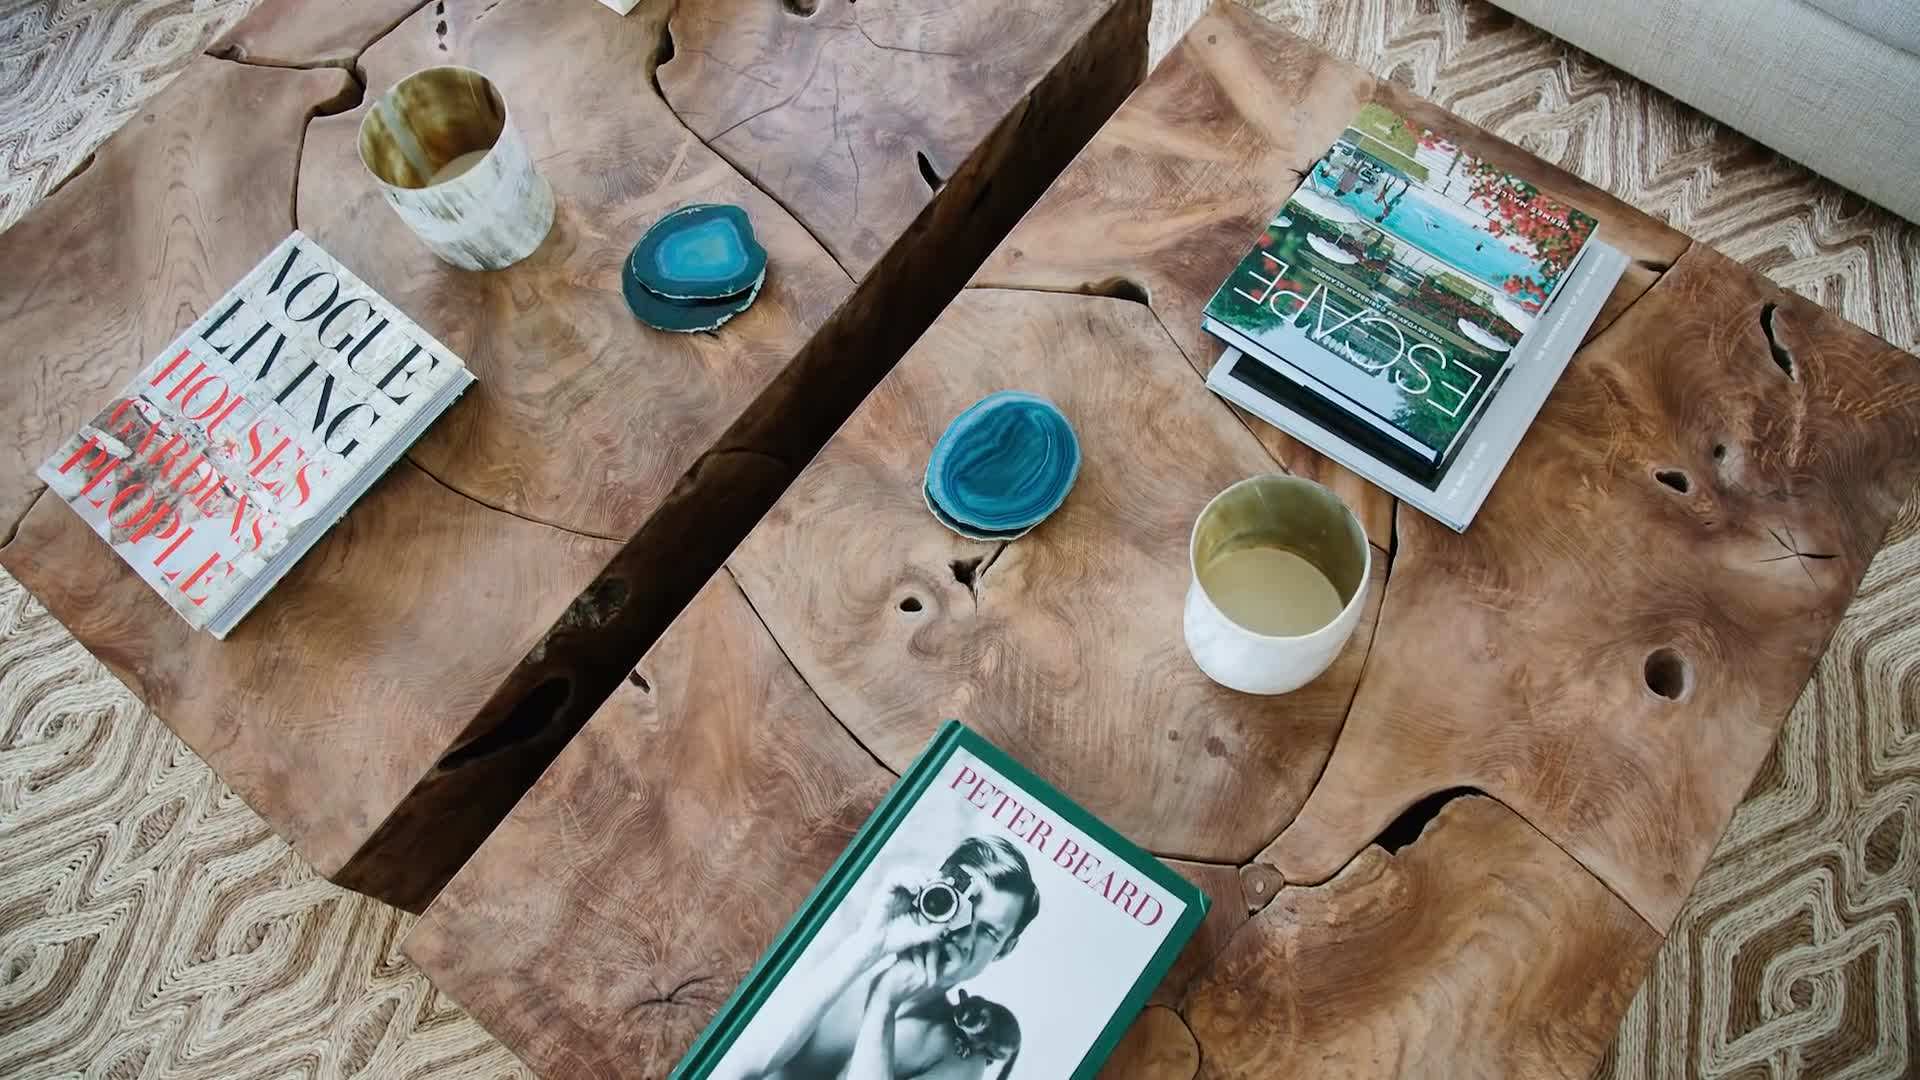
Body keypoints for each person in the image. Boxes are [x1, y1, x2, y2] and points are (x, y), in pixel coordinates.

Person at [726, 837, 1040, 1080]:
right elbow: (735, 1063)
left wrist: (883, 1003)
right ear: (936, 892)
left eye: (988, 933)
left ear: (1005, 949)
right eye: (961, 910)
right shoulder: (847, 954)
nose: (962, 934)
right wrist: (867, 947)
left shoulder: (958, 1058)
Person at [845, 986, 1021, 1080]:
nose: (958, 1028)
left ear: (982, 1023)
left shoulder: (972, 1061)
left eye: (964, 1027)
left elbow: (980, 1042)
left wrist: (969, 1045)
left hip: (1004, 1042)